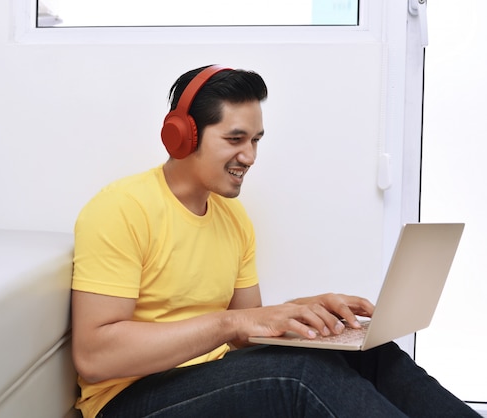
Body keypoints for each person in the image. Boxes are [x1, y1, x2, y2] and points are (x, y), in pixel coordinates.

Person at [70, 65, 479, 418]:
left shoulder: (233, 217)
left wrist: (306, 310)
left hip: (208, 377)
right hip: (126, 401)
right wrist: (231, 322)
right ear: (182, 137)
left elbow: (246, 329)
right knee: (298, 376)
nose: (249, 156)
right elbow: (94, 357)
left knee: (373, 356)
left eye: (256, 140)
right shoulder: (121, 209)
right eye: (235, 139)